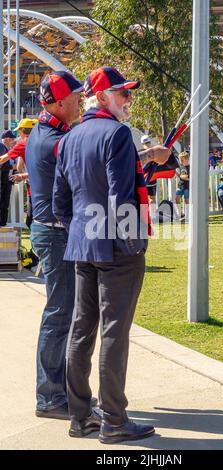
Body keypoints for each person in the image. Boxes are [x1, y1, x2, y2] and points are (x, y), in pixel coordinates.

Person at [52, 66, 170, 443]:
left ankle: (80, 416)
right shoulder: (117, 133)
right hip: (116, 247)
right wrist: (132, 242)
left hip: (83, 243)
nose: (129, 99)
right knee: (113, 332)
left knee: (82, 330)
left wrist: (83, 230)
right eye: (123, 93)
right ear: (102, 97)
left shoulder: (69, 138)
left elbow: (60, 203)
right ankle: (115, 421)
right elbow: (121, 198)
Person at [25, 71, 88, 421]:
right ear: (60, 102)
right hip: (55, 232)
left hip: (51, 230)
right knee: (59, 315)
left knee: (62, 313)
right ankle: (50, 397)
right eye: (77, 96)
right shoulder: (55, 140)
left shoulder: (46, 131)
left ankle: (57, 391)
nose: (81, 101)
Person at [0, 119, 38, 228]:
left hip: (35, 188)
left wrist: (23, 175)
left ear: (22, 131)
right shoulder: (47, 140)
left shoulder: (24, 143)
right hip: (50, 187)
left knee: (32, 222)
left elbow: (3, 159)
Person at [0, 130, 17, 226]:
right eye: (12, 139)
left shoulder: (8, 149)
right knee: (3, 202)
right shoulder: (2, 147)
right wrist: (12, 167)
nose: (13, 141)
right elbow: (1, 164)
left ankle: (3, 223)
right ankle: (2, 223)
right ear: (6, 139)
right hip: (3, 181)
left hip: (7, 180)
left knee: (5, 203)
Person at [175, 151, 190, 219]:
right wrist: (176, 173)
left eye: (182, 160)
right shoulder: (181, 166)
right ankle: (180, 213)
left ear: (187, 159)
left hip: (187, 186)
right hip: (180, 185)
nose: (180, 161)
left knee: (187, 200)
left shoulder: (190, 167)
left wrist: (182, 176)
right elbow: (181, 176)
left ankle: (188, 214)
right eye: (180, 160)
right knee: (177, 198)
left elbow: (187, 177)